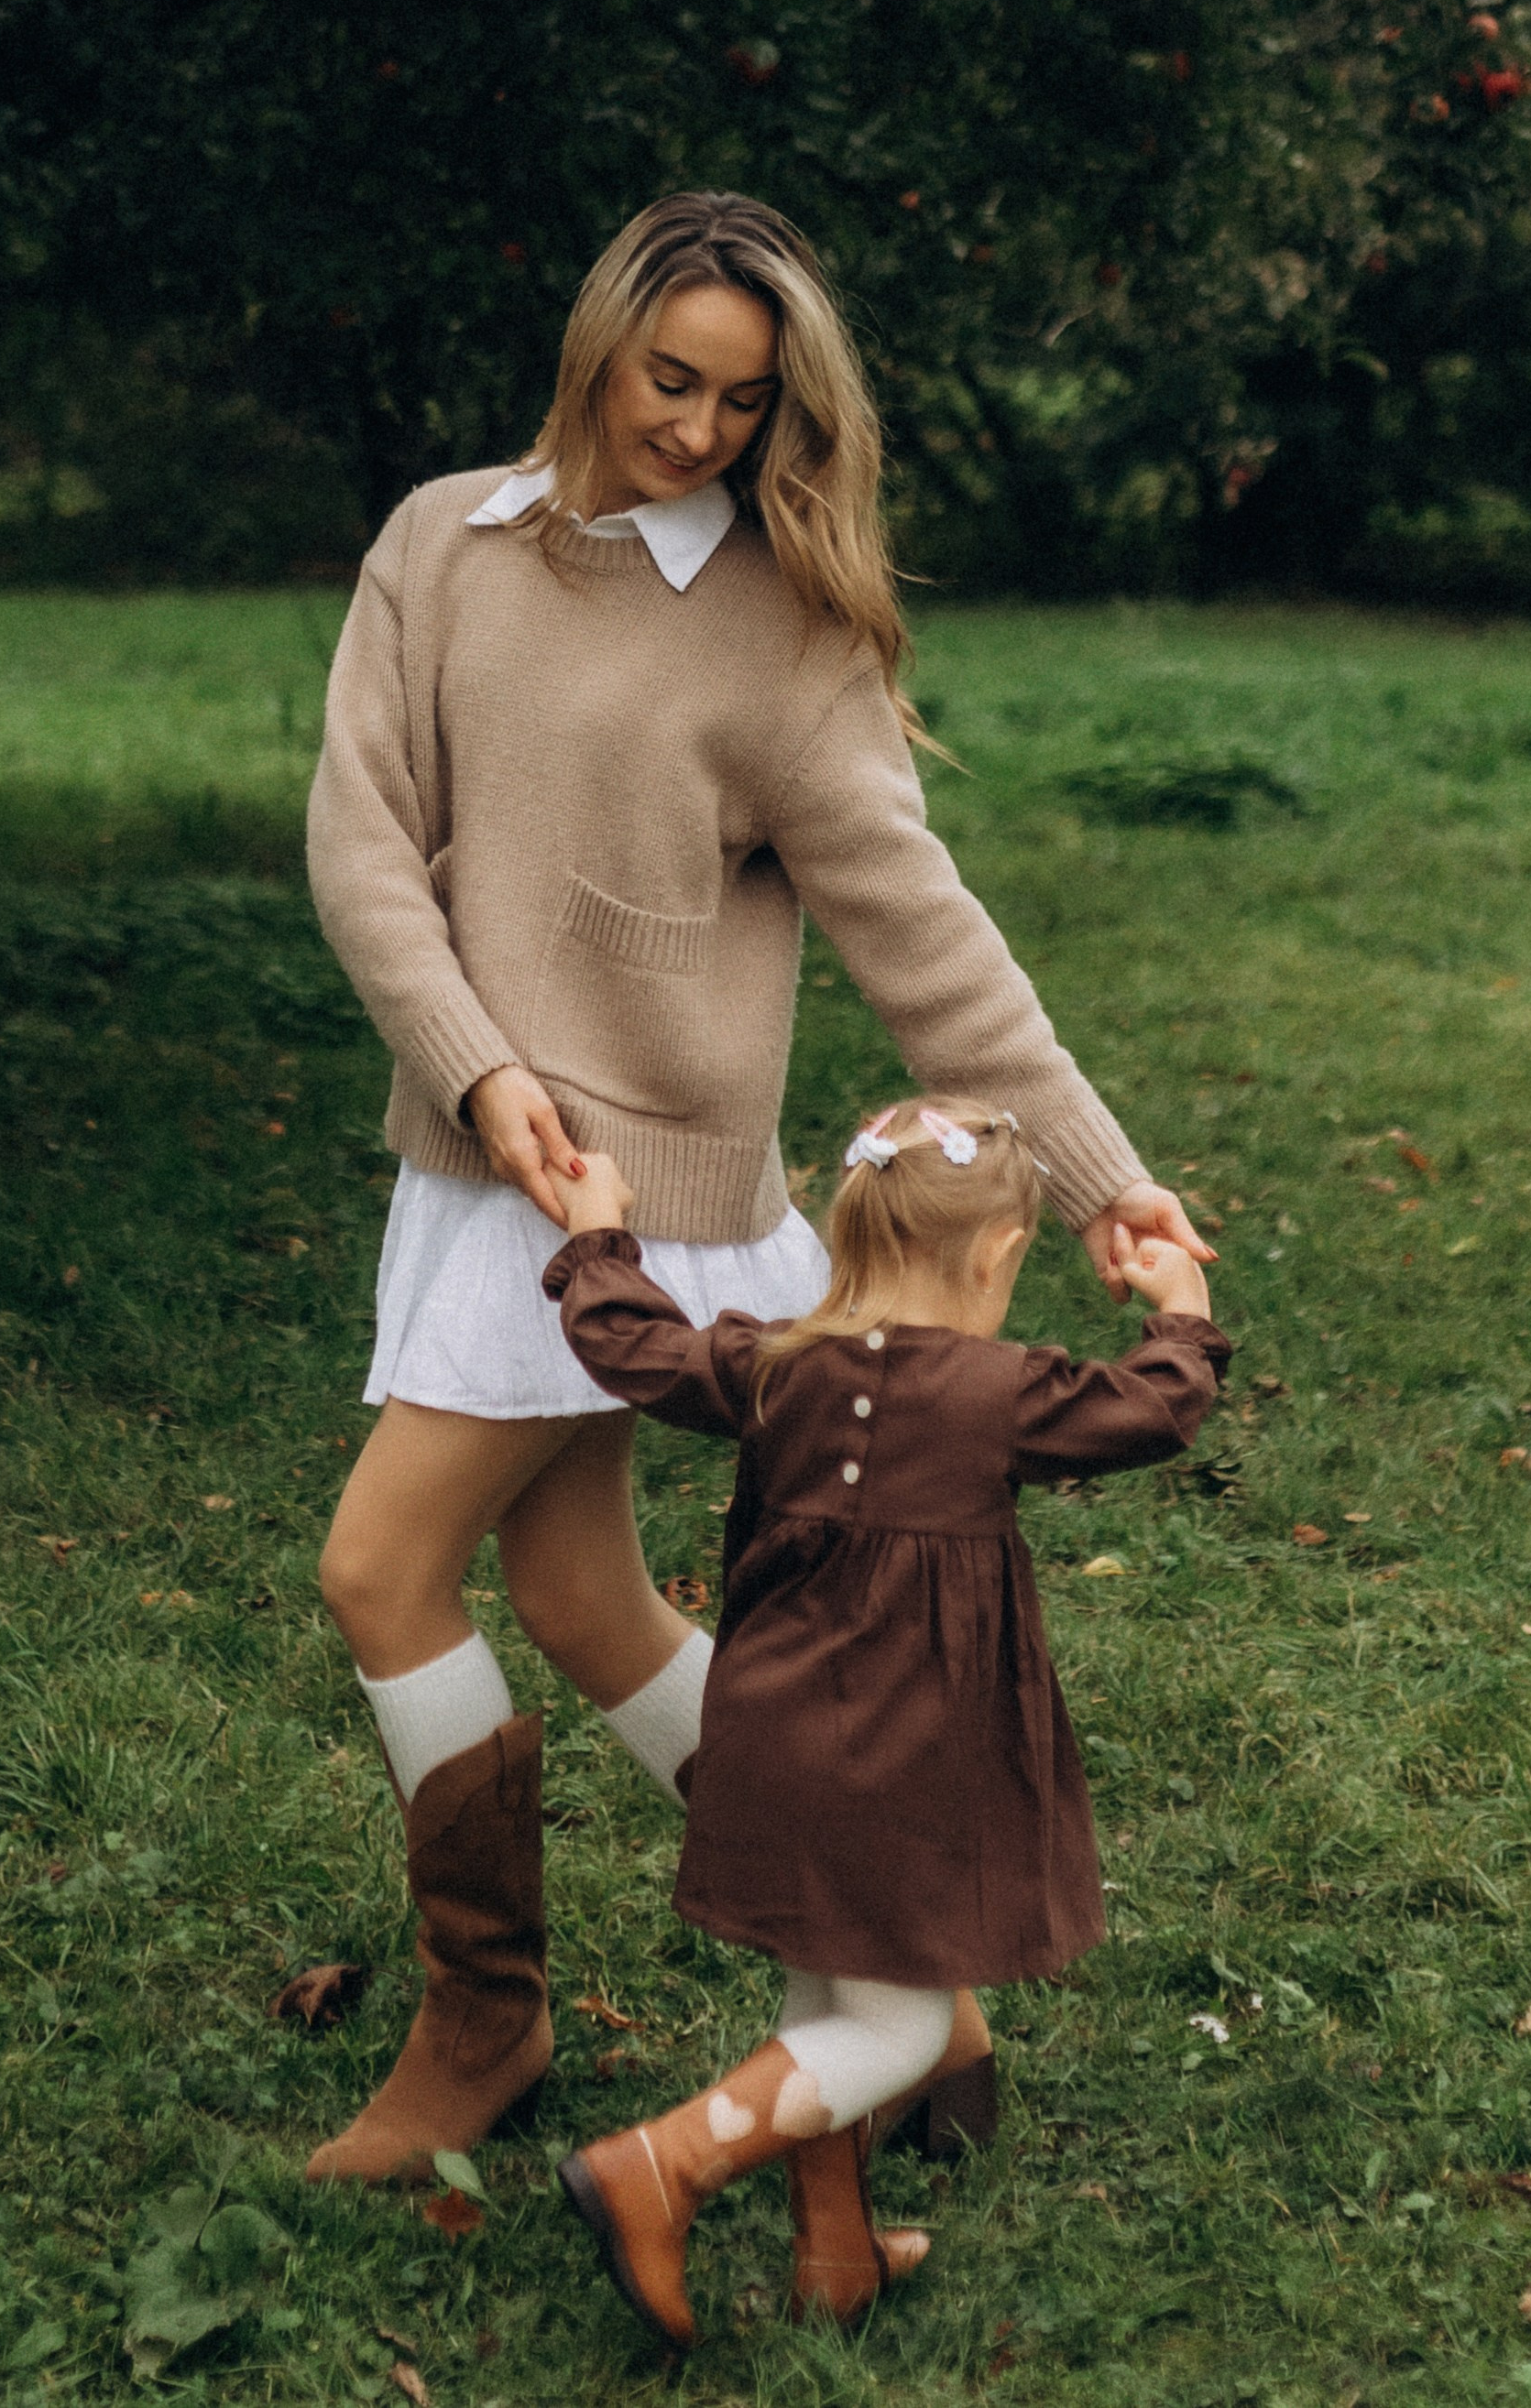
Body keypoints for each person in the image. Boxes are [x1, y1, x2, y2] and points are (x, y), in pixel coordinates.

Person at [301, 191, 1212, 2184]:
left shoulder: (788, 633)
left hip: (656, 1194)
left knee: (380, 1571)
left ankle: (489, 2021)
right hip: (491, 1161)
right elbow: (365, 841)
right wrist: (482, 1068)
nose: (700, 427)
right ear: (597, 344)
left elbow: (928, 941)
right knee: (578, 1588)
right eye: (669, 378)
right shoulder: (439, 546)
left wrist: (1107, 1185)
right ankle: (917, 1992)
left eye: (744, 399)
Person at [543, 1101, 1229, 2350]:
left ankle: (836, 2254)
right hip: (899, 1758)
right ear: (994, 1257)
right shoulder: (997, 1395)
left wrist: (599, 1240)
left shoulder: (773, 1367)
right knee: (900, 2024)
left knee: (829, 1992)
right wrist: (1177, 1308)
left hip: (764, 1734)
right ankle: (661, 2168)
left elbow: (630, 1345)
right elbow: (1152, 1409)